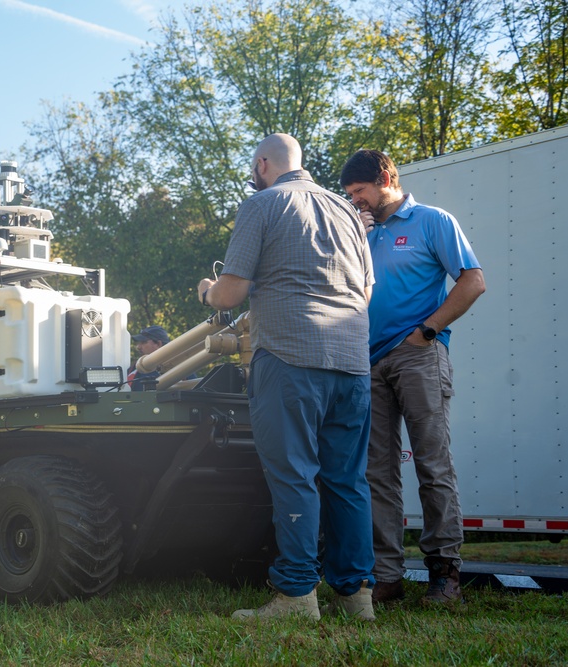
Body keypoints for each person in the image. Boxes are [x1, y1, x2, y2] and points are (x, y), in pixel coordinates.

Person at [199, 133, 376, 621]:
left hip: (290, 359)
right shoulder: (347, 211)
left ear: (263, 164)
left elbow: (232, 294)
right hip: (352, 363)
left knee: (295, 476)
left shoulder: (263, 204)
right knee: (347, 480)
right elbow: (365, 291)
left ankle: (297, 596)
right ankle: (357, 596)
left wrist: (210, 290)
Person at [340, 149, 486, 606]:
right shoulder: (359, 231)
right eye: (350, 196)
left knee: (431, 464)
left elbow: (473, 281)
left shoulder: (432, 220)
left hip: (418, 358)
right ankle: (387, 576)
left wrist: (427, 332)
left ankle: (445, 575)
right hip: (368, 364)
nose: (356, 202)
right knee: (376, 475)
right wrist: (353, 239)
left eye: (360, 192)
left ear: (385, 178)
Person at [128, 325, 171, 390]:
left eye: (143, 342)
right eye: (139, 343)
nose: (138, 347)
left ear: (158, 344)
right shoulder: (134, 370)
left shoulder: (180, 368)